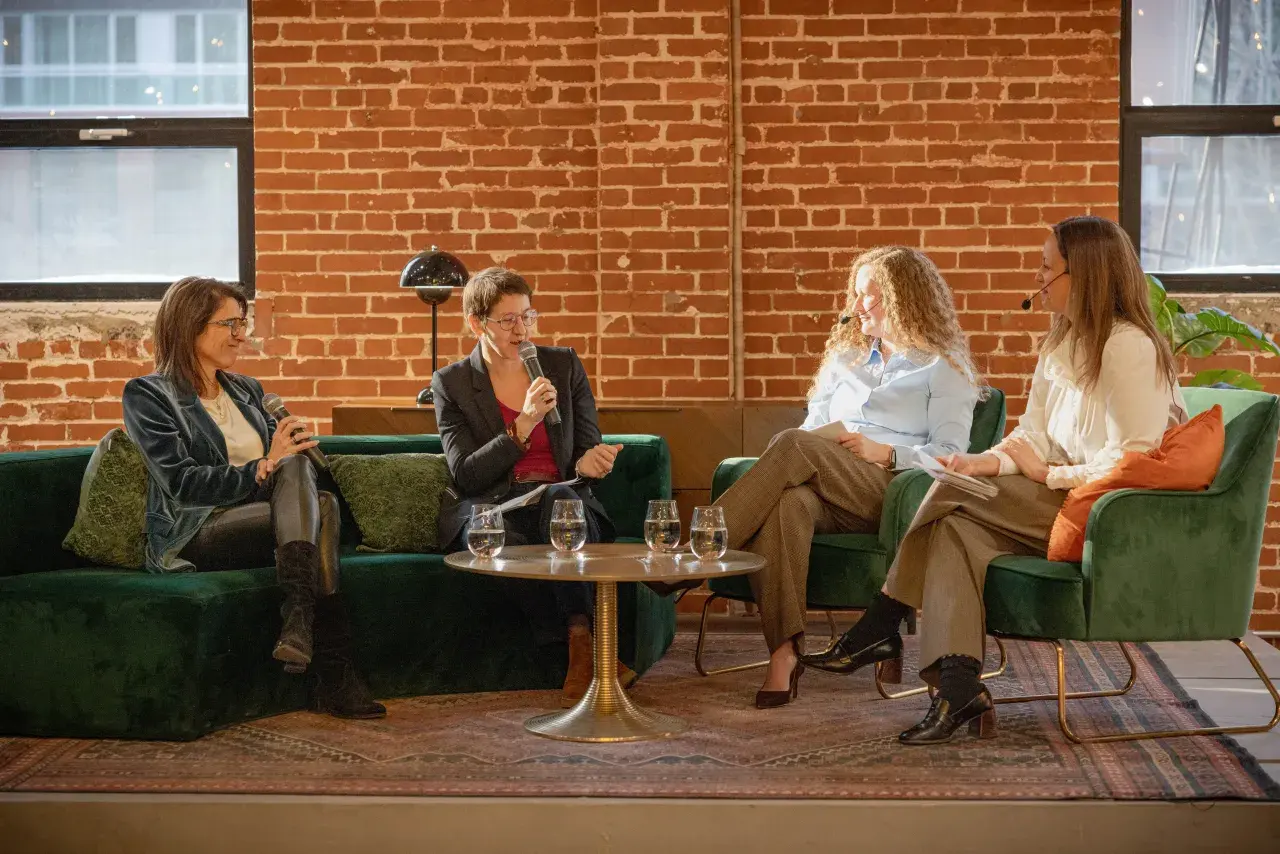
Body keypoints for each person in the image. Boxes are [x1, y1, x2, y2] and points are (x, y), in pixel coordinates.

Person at [805, 216, 1187, 745]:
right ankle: (958, 687)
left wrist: (1049, 473)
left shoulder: (1129, 347)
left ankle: (882, 619)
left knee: (952, 497)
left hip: (1108, 511)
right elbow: (1032, 433)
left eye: (1047, 267)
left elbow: (1134, 460)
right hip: (1055, 495)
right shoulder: (1061, 345)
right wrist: (989, 460)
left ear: (1087, 274)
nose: (1039, 277)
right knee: (956, 528)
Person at [713, 246, 981, 709]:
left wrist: (888, 451)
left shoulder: (944, 367)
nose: (857, 307)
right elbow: (810, 430)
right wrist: (823, 443)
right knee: (788, 504)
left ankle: (701, 547)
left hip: (887, 489)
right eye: (857, 296)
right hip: (823, 476)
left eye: (870, 297)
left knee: (791, 445)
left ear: (904, 300)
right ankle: (783, 655)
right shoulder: (845, 361)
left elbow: (952, 457)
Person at [122, 276, 385, 720]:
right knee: (311, 496)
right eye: (230, 324)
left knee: (307, 477)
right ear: (190, 326)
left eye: (242, 323)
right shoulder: (149, 395)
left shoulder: (248, 391)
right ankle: (329, 664)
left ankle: (301, 625)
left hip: (266, 521)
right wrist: (264, 465)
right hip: (197, 529)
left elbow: (284, 474)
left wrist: (288, 449)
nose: (241, 335)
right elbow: (181, 482)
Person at [431, 267, 635, 707]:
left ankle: (580, 640)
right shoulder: (451, 383)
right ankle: (586, 646)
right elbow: (466, 474)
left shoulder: (562, 365)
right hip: (496, 502)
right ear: (476, 323)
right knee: (487, 534)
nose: (521, 330)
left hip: (561, 496)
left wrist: (589, 460)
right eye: (507, 320)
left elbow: (586, 442)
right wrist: (523, 423)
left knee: (561, 499)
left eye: (528, 316)